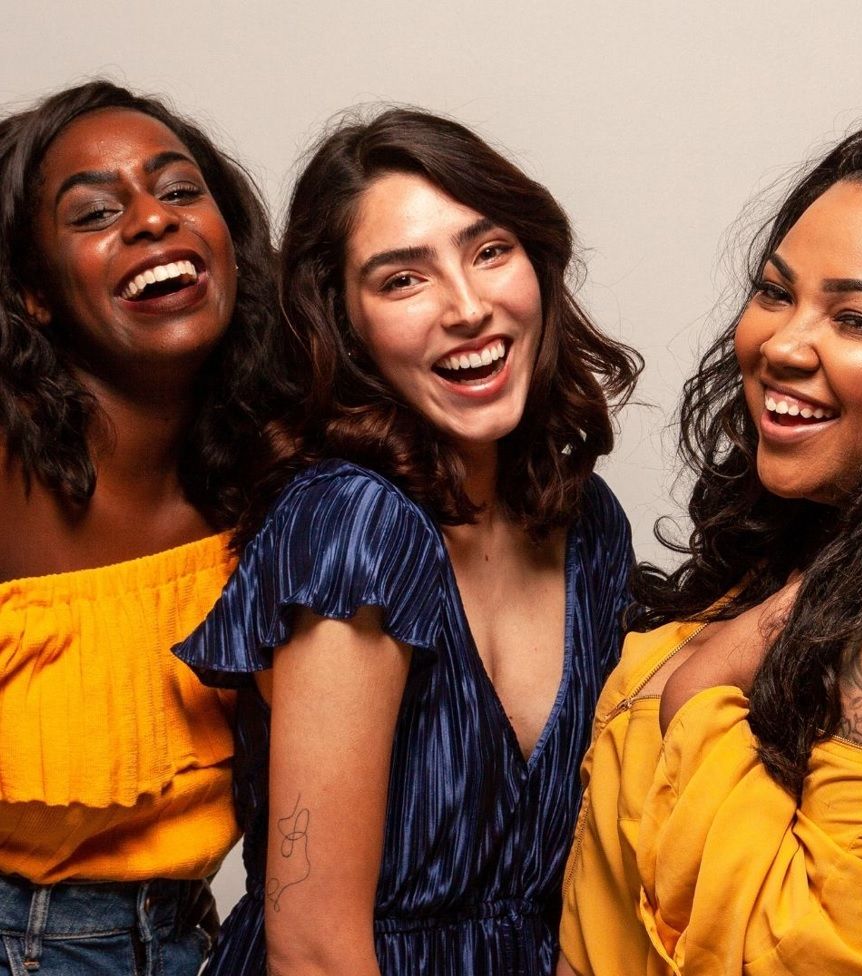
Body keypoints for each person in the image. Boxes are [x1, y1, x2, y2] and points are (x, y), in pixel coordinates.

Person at [174, 107, 642, 975]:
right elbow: (314, 950)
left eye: (489, 250)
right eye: (402, 280)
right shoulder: (352, 524)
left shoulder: (584, 522)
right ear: (341, 322)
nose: (467, 308)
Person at [558, 122, 862, 976]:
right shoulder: (799, 545)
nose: (779, 345)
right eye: (775, 293)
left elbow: (791, 958)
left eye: (857, 319)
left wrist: (702, 680)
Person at [0, 81, 293, 975]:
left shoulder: (276, 466)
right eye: (94, 212)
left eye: (177, 191)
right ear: (36, 294)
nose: (151, 221)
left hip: (192, 943)